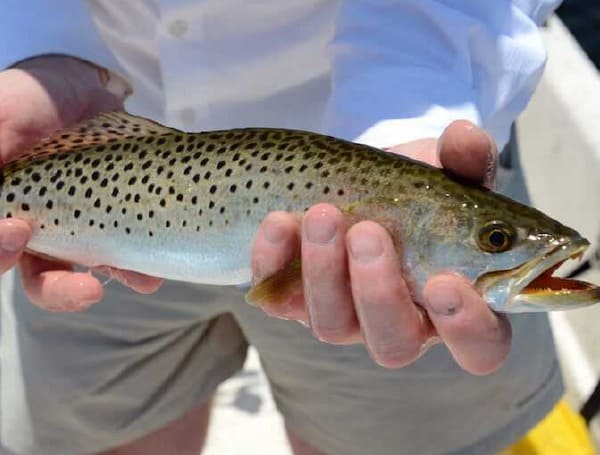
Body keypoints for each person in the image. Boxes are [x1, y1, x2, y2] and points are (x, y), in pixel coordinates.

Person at [0, 1, 563, 454]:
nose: (503, 248)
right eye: (496, 239)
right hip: (83, 119)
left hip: (417, 128)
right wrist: (35, 49)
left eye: (494, 239)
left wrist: (412, 114)